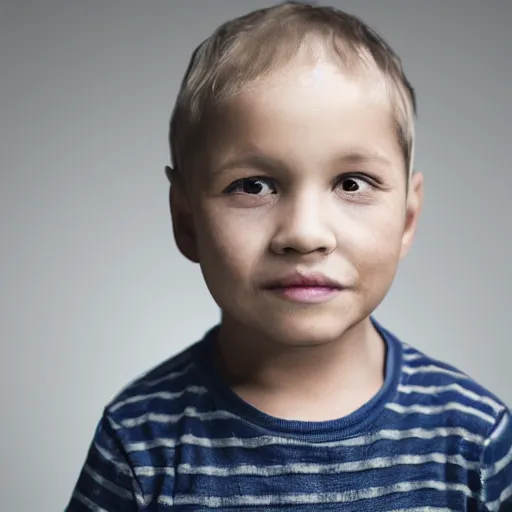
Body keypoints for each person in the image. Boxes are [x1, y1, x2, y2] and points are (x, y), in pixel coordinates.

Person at [66, 1, 512, 510]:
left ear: (407, 219)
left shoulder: (474, 437)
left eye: (351, 183)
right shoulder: (140, 441)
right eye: (254, 186)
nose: (304, 234)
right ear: (187, 222)